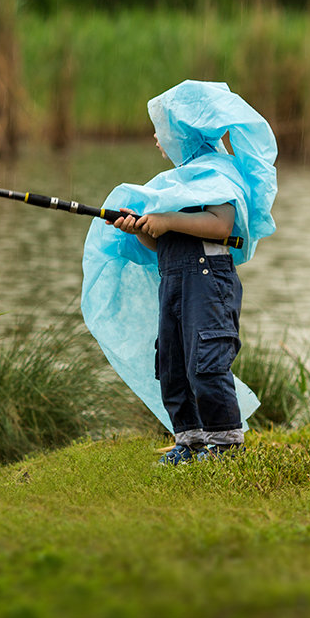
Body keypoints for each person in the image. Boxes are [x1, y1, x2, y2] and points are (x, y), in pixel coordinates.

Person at [80, 80, 278, 465]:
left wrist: (168, 219)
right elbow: (164, 245)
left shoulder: (217, 172)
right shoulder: (175, 183)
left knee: (205, 360)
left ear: (185, 130)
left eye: (162, 128)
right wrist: (143, 231)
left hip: (208, 279)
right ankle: (189, 441)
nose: (157, 137)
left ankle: (224, 444)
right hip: (174, 279)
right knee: (171, 364)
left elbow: (221, 225)